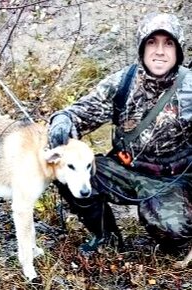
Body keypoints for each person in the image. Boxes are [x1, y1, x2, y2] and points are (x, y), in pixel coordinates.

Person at [48, 12, 192, 253]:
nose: (159, 51)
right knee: (67, 172)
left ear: (178, 50)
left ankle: (163, 215)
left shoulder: (190, 88)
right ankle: (106, 237)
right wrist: (63, 120)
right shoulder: (122, 82)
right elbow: (81, 112)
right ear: (141, 47)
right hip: (123, 168)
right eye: (151, 42)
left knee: (174, 233)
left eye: (168, 43)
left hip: (171, 179)